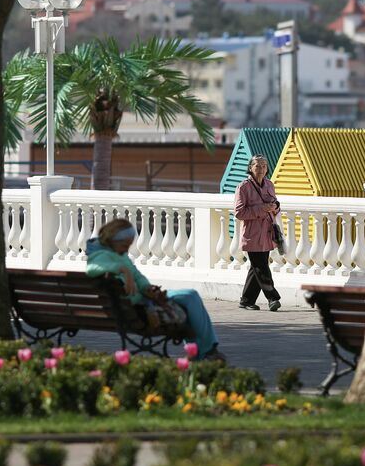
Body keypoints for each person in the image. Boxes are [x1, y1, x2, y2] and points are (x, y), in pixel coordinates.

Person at [85, 218, 226, 361]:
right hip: (138, 308)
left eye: (129, 245)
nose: (127, 249)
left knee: (189, 299)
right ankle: (207, 351)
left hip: (138, 302)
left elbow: (137, 276)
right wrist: (123, 270)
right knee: (190, 296)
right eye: (124, 245)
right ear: (113, 240)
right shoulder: (100, 255)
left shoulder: (117, 254)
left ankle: (201, 351)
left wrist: (147, 288)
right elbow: (92, 269)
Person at [234, 154, 282, 312]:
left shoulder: (269, 184)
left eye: (264, 166)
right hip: (252, 234)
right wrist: (262, 209)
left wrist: (275, 207)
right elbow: (239, 213)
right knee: (261, 267)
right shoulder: (243, 187)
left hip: (267, 232)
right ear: (250, 168)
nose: (261, 169)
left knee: (256, 268)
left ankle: (246, 300)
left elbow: (275, 205)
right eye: (257, 166)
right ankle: (273, 297)